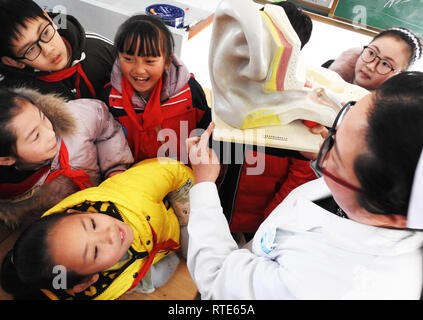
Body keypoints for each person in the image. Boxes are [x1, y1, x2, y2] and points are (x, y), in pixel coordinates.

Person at [186, 71, 423, 299]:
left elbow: (218, 279)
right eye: (342, 121)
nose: (326, 148)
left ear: (394, 210)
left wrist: (205, 183)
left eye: (336, 154)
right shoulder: (386, 197)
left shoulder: (331, 285)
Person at [0, 158, 194, 300]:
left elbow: (168, 169)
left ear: (75, 211)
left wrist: (186, 200)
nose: (109, 233)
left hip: (173, 212)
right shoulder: (102, 291)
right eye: (95, 251)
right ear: (88, 281)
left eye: (92, 224)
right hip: (154, 251)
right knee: (160, 276)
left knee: (191, 248)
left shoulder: (130, 192)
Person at [217, 1, 317, 238]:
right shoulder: (229, 82)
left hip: (249, 227)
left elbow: (299, 180)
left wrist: (268, 224)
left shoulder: (302, 110)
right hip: (212, 208)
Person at [0, 87, 133, 227]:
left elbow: (106, 126)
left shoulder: (78, 120)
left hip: (119, 190)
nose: (50, 133)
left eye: (44, 118)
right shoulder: (10, 194)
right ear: (6, 159)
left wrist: (115, 169)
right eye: (36, 136)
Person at [105, 14, 211, 162]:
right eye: (128, 59)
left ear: (167, 61)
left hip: (184, 174)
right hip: (134, 179)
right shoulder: (110, 99)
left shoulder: (190, 92)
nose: (139, 70)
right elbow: (105, 144)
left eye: (149, 61)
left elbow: (206, 134)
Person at [0, 0, 115, 101]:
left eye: (45, 32)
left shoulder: (98, 48)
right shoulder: (13, 94)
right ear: (13, 62)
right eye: (30, 50)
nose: (48, 50)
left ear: (49, 18)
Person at [323, 27, 422, 90]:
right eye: (371, 53)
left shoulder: (387, 115)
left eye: (385, 64)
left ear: (398, 76)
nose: (370, 66)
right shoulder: (329, 69)